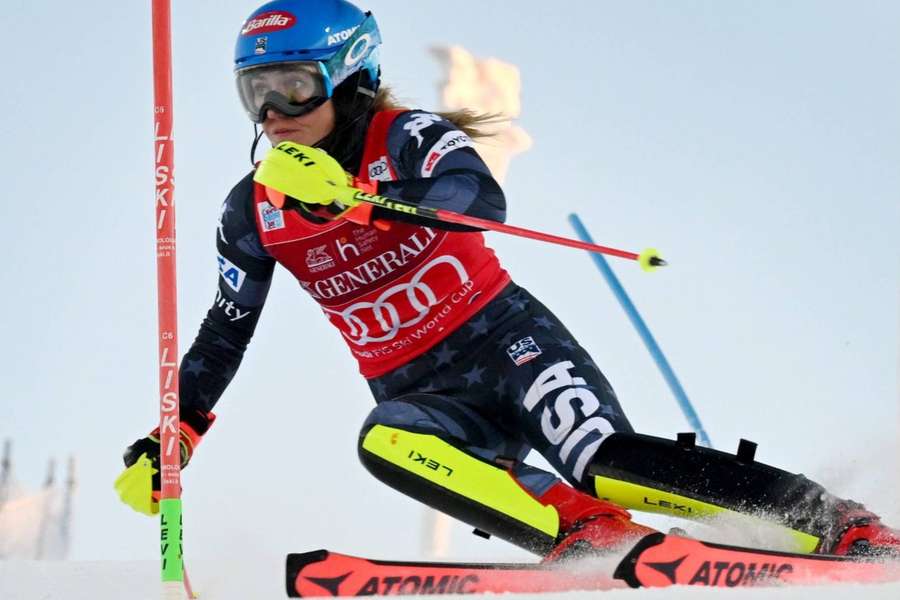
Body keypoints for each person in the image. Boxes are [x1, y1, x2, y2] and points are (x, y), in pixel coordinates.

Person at [116, 0, 899, 560]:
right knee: (387, 441)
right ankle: (586, 535)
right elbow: (227, 327)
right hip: (421, 390)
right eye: (254, 93)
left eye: (292, 85)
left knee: (605, 461)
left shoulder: (407, 137)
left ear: (348, 75)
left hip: (507, 344)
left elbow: (477, 196)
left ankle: (836, 521)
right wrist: (177, 431)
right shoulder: (254, 211)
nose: (273, 111)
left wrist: (365, 203)